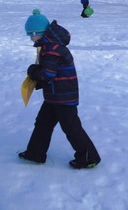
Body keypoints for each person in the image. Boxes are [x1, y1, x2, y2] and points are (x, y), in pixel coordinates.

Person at [19, 9, 101, 169]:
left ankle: (88, 157)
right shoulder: (50, 45)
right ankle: (35, 153)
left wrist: (32, 71)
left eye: (31, 35)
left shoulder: (51, 48)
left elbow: (48, 73)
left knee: (71, 127)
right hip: (55, 96)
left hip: (63, 97)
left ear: (39, 33)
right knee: (43, 123)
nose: (30, 38)